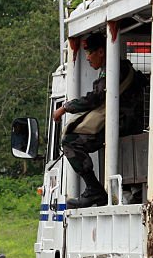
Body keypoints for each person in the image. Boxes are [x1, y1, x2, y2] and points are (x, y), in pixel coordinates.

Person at [52, 30, 147, 208]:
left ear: (101, 52)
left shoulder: (114, 69)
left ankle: (94, 191)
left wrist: (65, 108)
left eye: (90, 53)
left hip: (121, 124)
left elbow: (95, 98)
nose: (87, 58)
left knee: (71, 142)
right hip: (128, 124)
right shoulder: (120, 68)